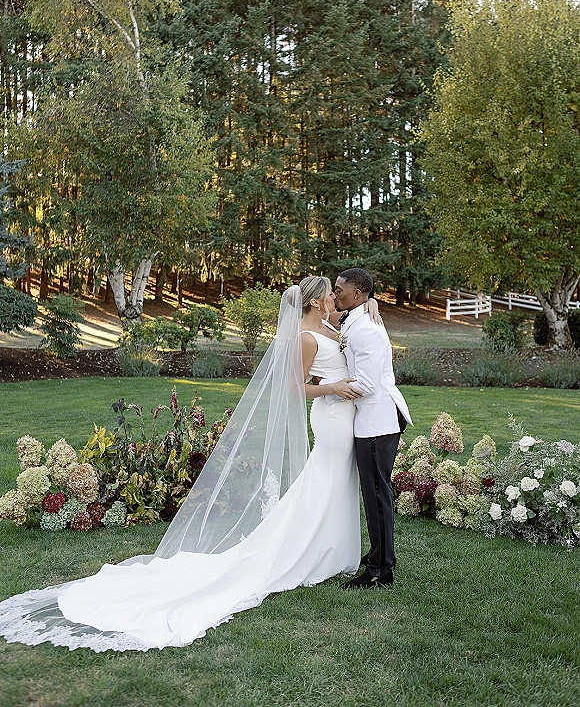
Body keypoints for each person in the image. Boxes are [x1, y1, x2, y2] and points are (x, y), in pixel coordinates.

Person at [0, 276, 371, 652]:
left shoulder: (328, 325)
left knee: (333, 482)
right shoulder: (306, 337)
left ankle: (328, 549)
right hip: (331, 415)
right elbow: (293, 387)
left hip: (342, 414)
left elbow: (351, 331)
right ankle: (312, 552)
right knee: (325, 480)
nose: (333, 298)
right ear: (314, 303)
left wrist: (368, 308)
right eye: (328, 294)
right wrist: (332, 388)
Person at [333, 268, 412, 589]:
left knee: (377, 495)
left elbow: (365, 384)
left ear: (355, 295)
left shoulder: (365, 330)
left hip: (377, 423)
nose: (334, 293)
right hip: (370, 420)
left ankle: (380, 570)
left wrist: (330, 386)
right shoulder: (352, 319)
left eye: (338, 289)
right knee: (374, 493)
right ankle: (379, 554)